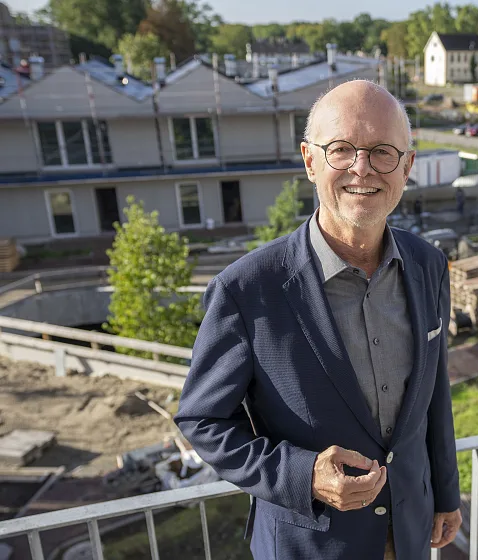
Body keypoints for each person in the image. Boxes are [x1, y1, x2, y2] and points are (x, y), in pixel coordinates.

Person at [174, 80, 461, 560]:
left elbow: (434, 392)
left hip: (410, 533)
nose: (362, 168)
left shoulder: (430, 265)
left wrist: (446, 495)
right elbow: (202, 418)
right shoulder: (247, 289)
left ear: (407, 166)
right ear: (310, 161)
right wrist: (301, 474)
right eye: (341, 149)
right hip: (309, 544)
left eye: (383, 152)